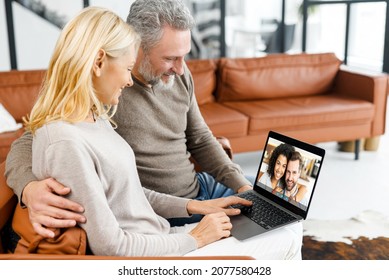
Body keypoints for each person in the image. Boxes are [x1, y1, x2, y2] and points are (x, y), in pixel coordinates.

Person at [6, 0, 303, 257]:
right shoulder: (102, 101)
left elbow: (199, 138)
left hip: (194, 195)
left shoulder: (98, 114)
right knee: (284, 238)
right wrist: (29, 188)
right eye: (171, 58)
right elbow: (33, 141)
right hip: (161, 221)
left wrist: (237, 186)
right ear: (138, 49)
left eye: (184, 56)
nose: (181, 67)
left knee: (284, 212)